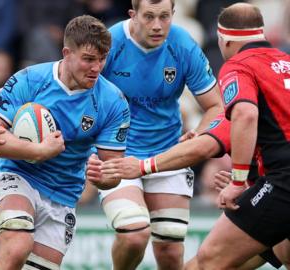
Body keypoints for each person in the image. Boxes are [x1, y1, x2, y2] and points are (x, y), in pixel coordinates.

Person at [0, 15, 130, 270]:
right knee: (16, 248)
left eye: (102, 59)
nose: (96, 67)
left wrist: (102, 176)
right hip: (19, 177)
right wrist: (37, 150)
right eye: (89, 59)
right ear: (67, 53)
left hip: (64, 194)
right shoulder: (29, 80)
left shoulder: (114, 102)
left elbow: (112, 171)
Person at [95, 0, 224, 269]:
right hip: (117, 154)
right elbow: (82, 97)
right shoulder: (109, 42)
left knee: (170, 252)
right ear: (133, 15)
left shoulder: (182, 44)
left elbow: (215, 106)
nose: (157, 25)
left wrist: (199, 133)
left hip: (167, 156)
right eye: (149, 17)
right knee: (134, 235)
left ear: (173, 15)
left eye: (164, 17)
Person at [88, 112, 287, 269]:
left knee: (206, 262)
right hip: (276, 197)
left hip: (280, 192)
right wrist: (249, 187)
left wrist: (143, 167)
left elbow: (202, 148)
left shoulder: (243, 87)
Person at [194, 2, 290, 268]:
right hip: (276, 182)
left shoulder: (239, 65)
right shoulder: (286, 62)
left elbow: (246, 115)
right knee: (285, 254)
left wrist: (237, 180)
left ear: (223, 40)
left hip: (283, 184)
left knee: (209, 260)